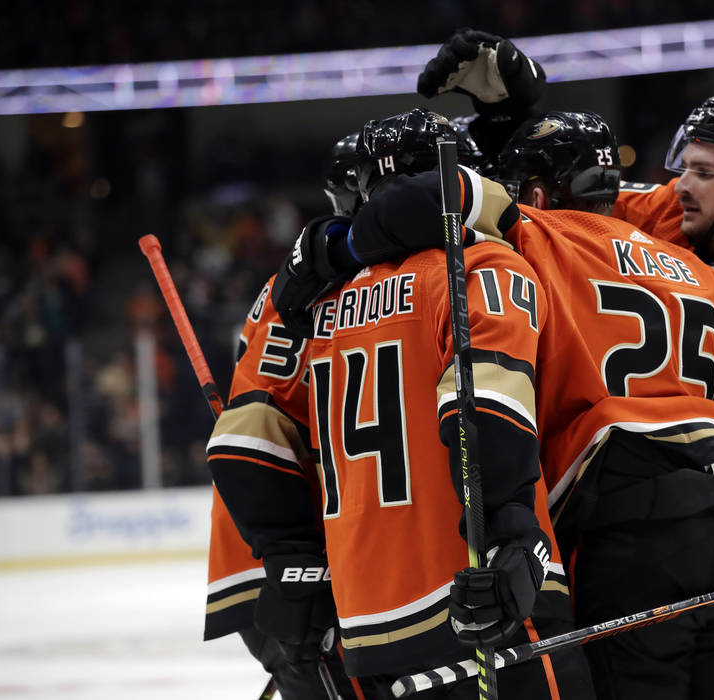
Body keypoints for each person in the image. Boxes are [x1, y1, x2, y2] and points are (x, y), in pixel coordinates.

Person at [272, 110, 714, 700]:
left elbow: (427, 199)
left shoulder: (532, 235)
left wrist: (334, 249)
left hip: (626, 543)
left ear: (531, 192)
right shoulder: (697, 270)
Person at [416, 33, 714, 695]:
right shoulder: (689, 260)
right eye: (682, 168)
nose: (677, 187)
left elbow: (457, 199)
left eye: (701, 171)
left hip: (661, 538)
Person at [225, 107, 596, 700]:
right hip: (480, 598)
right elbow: (484, 408)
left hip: (366, 623)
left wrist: (293, 566)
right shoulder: (480, 265)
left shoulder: (314, 303)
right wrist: (511, 533)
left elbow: (241, 442)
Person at [203, 133, 366, 700]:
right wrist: (298, 568)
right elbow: (248, 437)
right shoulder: (331, 283)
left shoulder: (308, 275)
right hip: (293, 561)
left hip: (301, 555)